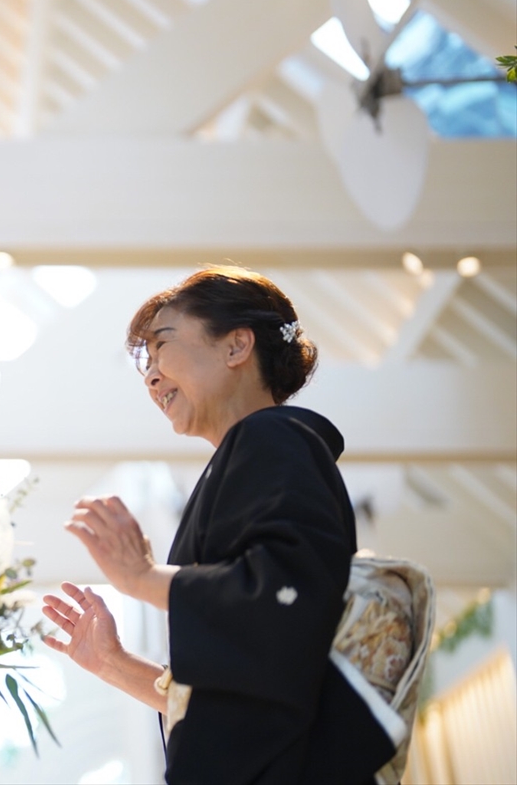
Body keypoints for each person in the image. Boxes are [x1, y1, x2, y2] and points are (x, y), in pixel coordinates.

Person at [42, 267, 415, 783]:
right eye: (145, 363)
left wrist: (143, 579)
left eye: (162, 346)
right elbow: (246, 689)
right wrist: (113, 663)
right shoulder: (251, 454)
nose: (150, 377)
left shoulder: (274, 438)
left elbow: (286, 594)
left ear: (236, 346)